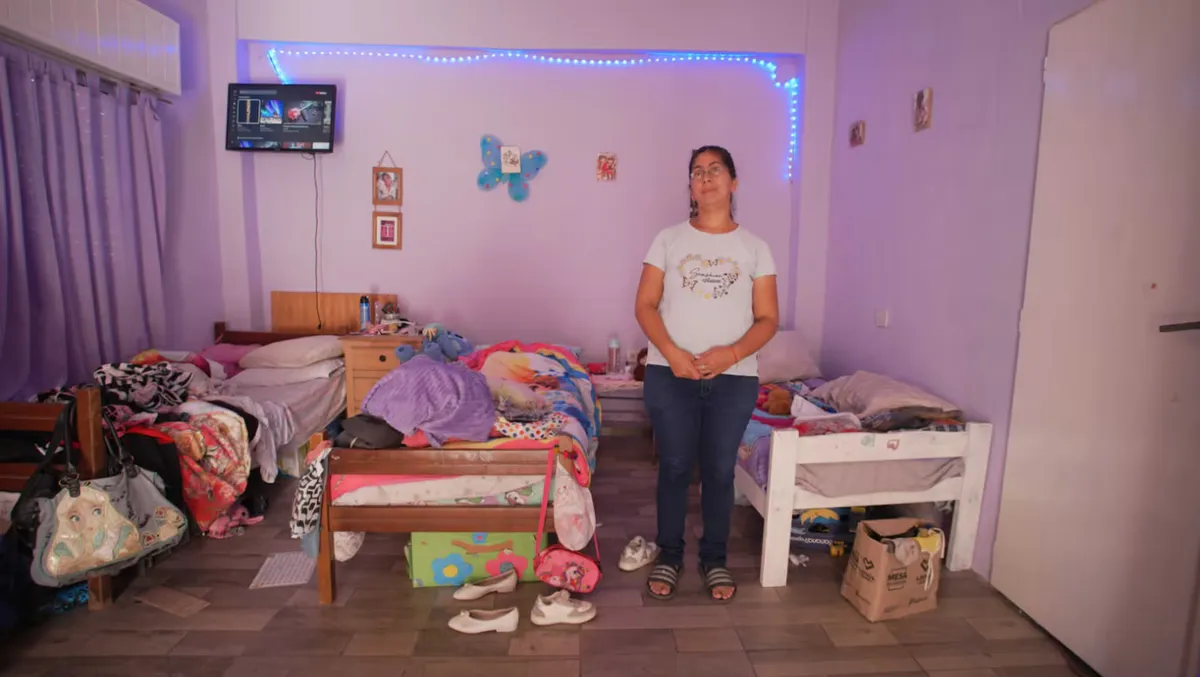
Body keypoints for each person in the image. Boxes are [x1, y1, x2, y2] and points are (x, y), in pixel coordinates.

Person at [634, 145, 779, 602]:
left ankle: (715, 558)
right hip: (669, 373)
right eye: (697, 171)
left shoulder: (756, 248)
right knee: (675, 467)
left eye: (716, 169)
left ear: (733, 182)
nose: (706, 177)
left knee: (719, 470)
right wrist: (673, 353)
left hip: (734, 379)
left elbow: (768, 319)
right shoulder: (668, 240)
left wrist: (731, 353)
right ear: (691, 187)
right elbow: (644, 305)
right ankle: (670, 555)